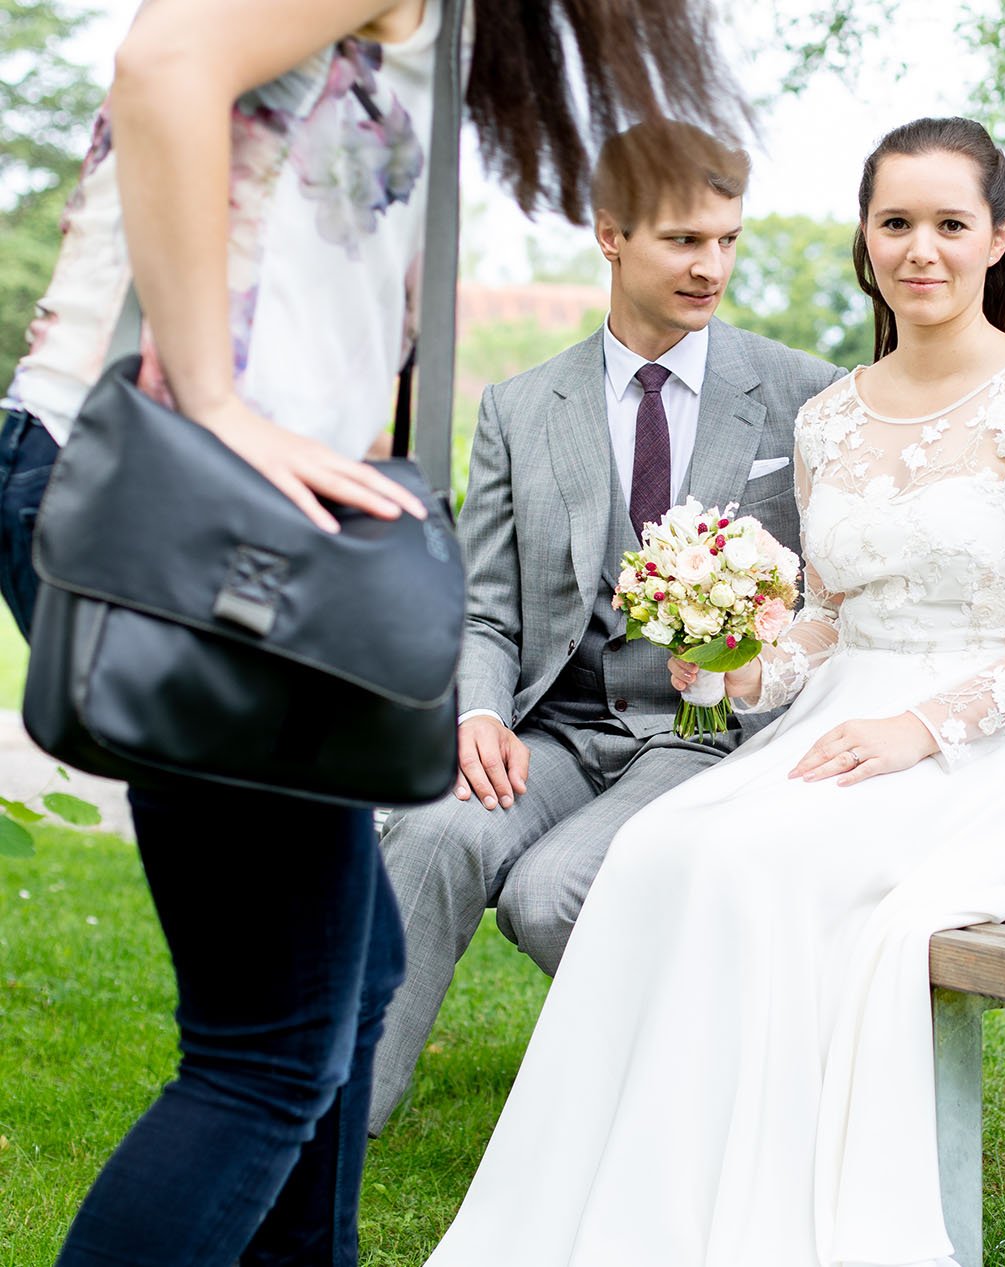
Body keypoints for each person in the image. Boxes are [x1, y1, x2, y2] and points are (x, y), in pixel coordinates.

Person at [0, 1, 750, 1261]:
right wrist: (217, 398)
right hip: (171, 498)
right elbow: (165, 63)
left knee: (346, 991)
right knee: (270, 1046)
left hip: (233, 513)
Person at [424, 115, 1005, 1266]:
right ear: (865, 236)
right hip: (833, 721)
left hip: (974, 755)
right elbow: (827, 619)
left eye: (951, 224)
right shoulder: (832, 413)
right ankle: (633, 1194)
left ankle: (763, 1198)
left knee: (754, 862)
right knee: (663, 848)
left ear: (998, 236)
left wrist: (918, 729)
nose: (922, 250)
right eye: (896, 223)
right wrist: (742, 669)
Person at [367, 121, 840, 1135]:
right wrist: (479, 714)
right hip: (559, 730)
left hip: (712, 737)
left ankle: (726, 1096)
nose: (710, 266)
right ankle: (327, 1134)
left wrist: (760, 653)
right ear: (611, 234)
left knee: (548, 896)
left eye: (726, 239)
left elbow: (838, 591)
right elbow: (487, 604)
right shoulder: (520, 408)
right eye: (682, 241)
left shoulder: (804, 394)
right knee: (434, 831)